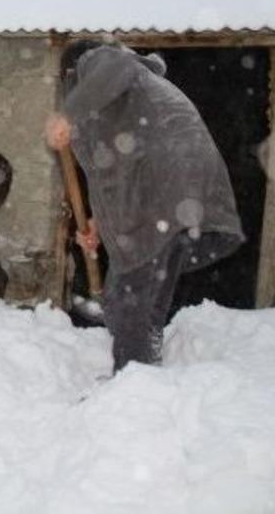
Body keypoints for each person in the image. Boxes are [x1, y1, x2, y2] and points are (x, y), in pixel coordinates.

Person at [46, 39, 244, 372]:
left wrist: (68, 114)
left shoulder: (103, 60)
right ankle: (145, 363)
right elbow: (106, 170)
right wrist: (98, 224)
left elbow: (114, 65)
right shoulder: (128, 100)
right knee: (150, 281)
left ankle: (132, 378)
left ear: (72, 71)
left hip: (165, 179)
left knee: (127, 290)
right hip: (182, 186)